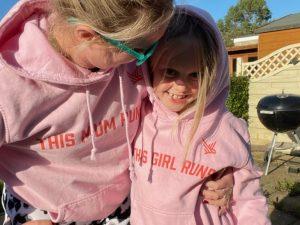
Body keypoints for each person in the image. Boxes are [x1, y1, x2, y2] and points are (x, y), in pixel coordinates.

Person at [0, 0, 174, 224]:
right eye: (140, 51)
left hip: (123, 204)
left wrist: (216, 160)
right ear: (86, 35)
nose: (148, 58)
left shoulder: (133, 46)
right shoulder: (9, 85)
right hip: (46, 213)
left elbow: (200, 83)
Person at [130, 5, 271, 225]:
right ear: (150, 67)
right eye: (170, 71)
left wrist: (231, 178)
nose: (180, 86)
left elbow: (249, 200)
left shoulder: (227, 127)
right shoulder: (139, 114)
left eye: (195, 75)